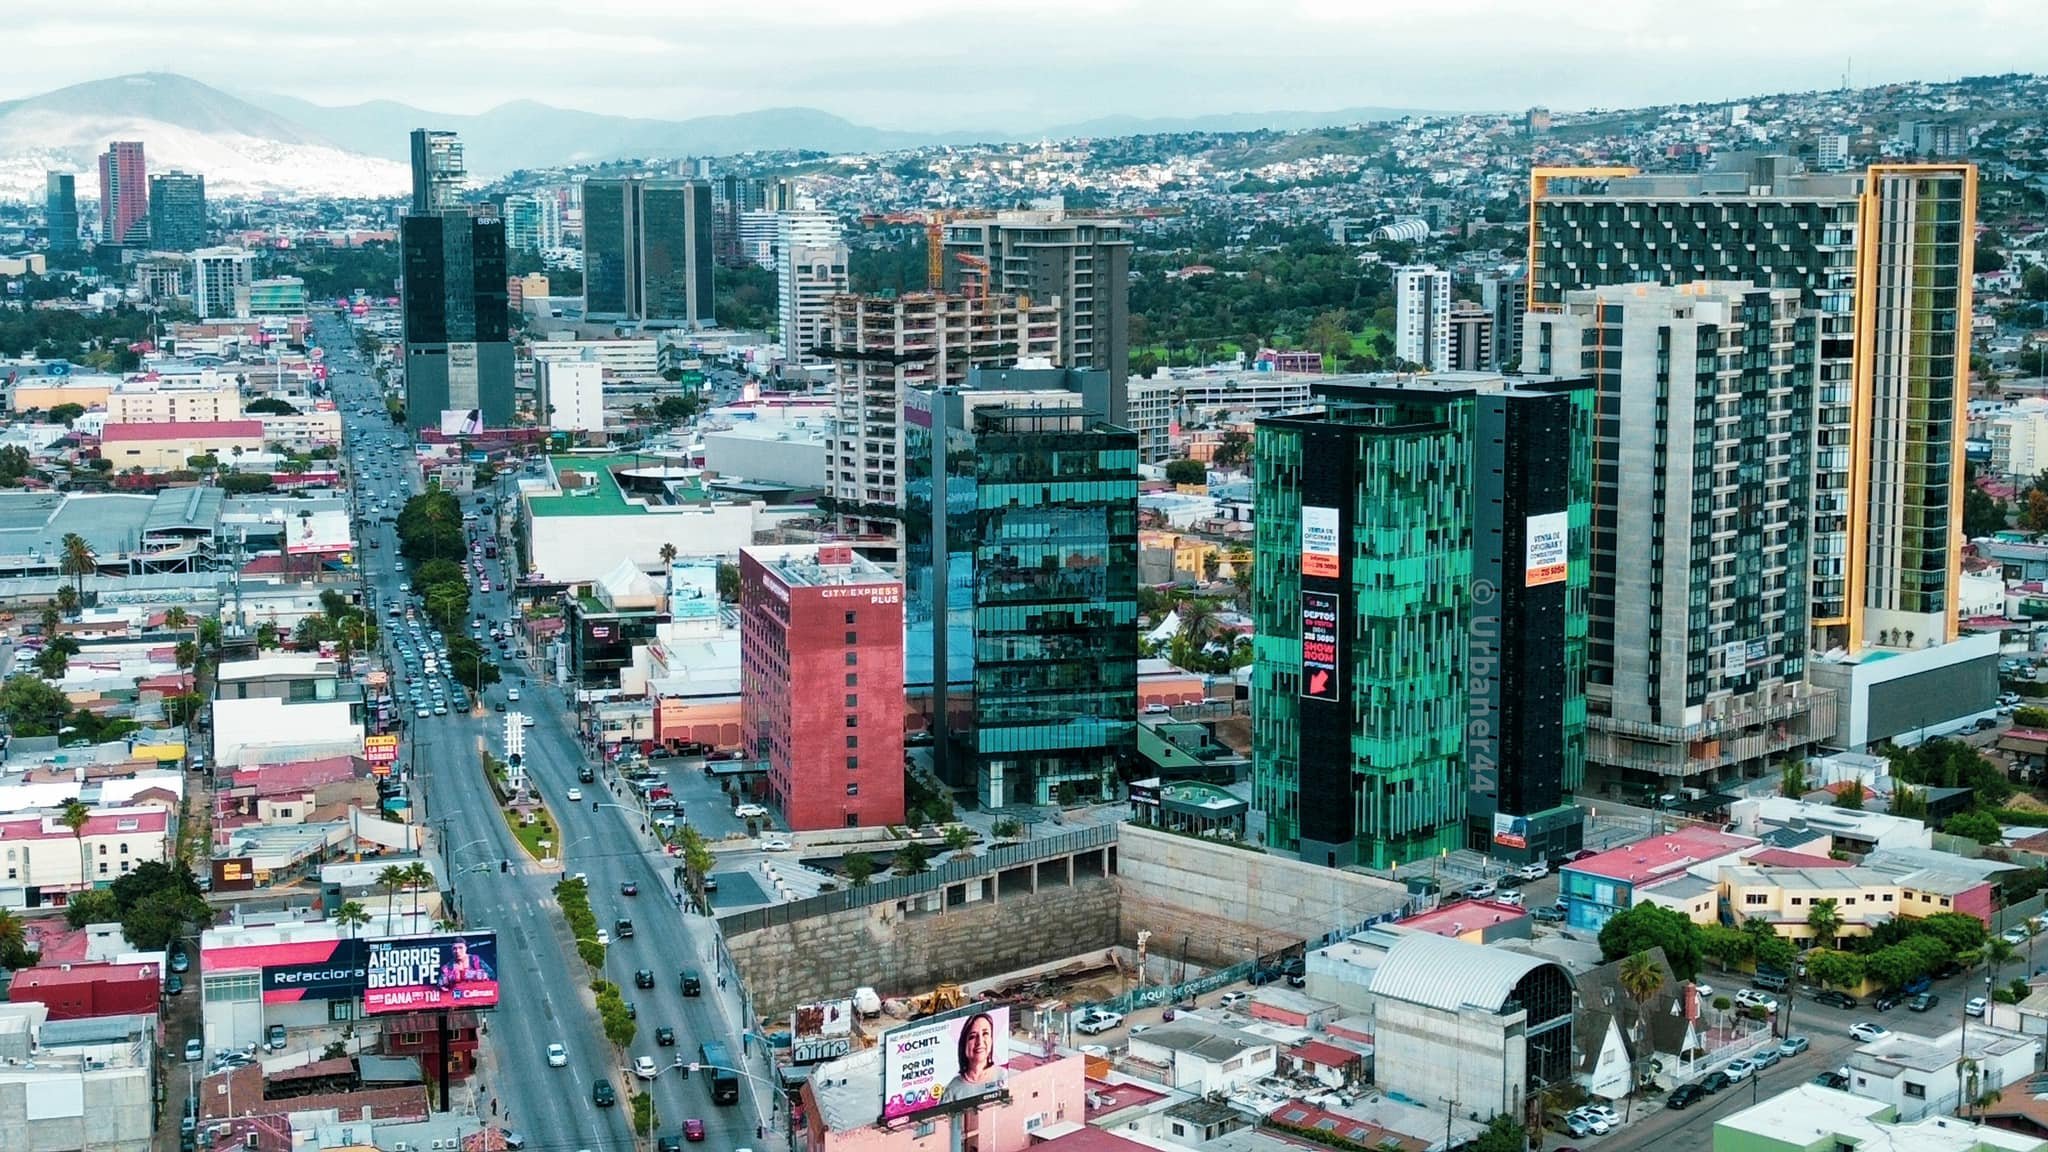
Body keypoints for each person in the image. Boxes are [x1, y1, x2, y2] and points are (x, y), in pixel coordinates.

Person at [939, 1012, 1004, 1103]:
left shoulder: (1003, 1076)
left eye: (985, 1034)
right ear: (964, 1045)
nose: (980, 1042)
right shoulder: (952, 1090)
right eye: (972, 1036)